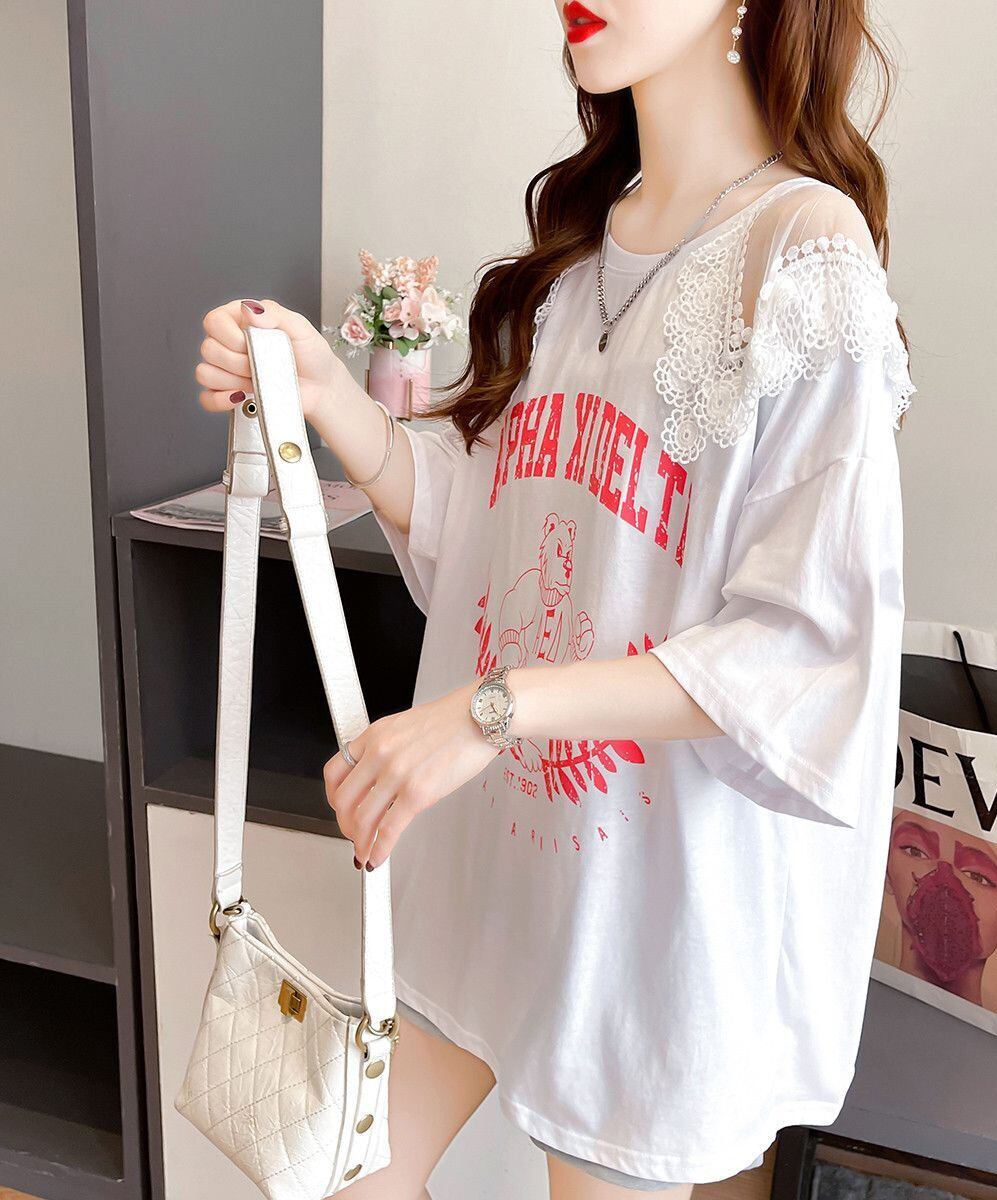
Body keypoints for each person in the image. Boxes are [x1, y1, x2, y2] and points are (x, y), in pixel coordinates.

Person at [194, 1, 914, 1195]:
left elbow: (802, 644)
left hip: (650, 916)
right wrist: (325, 393)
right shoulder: (583, 251)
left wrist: (491, 710)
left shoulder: (805, 253)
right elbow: (494, 523)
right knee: (340, 1180)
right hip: (499, 866)